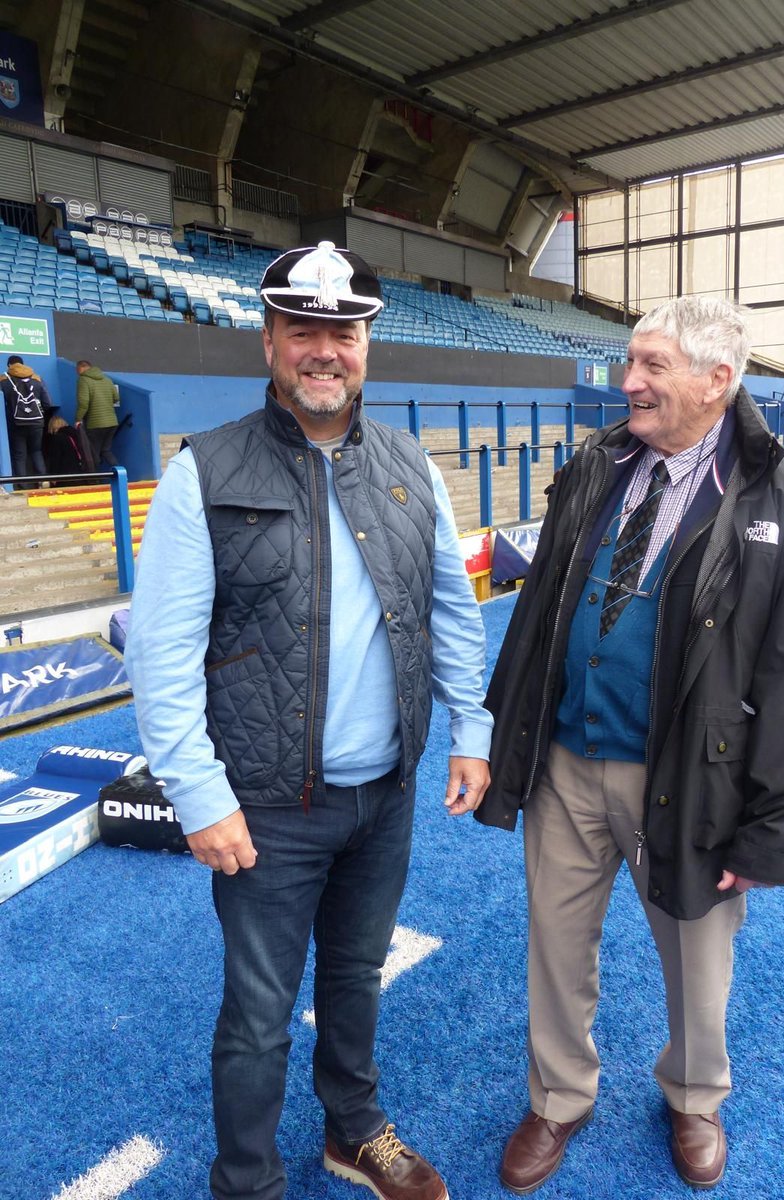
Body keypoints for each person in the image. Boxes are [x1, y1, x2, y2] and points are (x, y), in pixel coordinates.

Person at [125, 241, 493, 1200]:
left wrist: (471, 729)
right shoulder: (202, 473)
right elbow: (162, 658)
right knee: (256, 1014)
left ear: (367, 343)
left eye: (343, 331)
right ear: (270, 342)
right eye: (303, 331)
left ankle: (352, 1130)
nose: (324, 350)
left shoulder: (410, 463)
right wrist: (199, 795)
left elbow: (450, 607)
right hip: (264, 808)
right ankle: (247, 1181)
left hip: (385, 795)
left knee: (357, 975)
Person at [477, 296, 784, 1193]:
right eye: (628, 362)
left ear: (719, 382)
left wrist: (772, 833)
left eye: (651, 367)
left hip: (687, 779)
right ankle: (559, 1097)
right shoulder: (599, 462)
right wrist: (499, 736)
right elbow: (537, 615)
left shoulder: (776, 493)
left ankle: (693, 1095)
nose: (627, 382)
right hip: (564, 761)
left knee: (697, 961)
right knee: (555, 948)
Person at [2, 354, 51, 487]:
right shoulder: (37, 379)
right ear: (23, 364)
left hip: (17, 423)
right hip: (37, 423)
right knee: (36, 451)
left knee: (19, 454)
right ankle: (43, 480)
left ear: (9, 366)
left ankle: (22, 485)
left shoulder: (4, 381)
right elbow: (47, 403)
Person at [75, 359, 119, 466]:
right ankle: (120, 475)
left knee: (93, 454)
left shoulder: (83, 380)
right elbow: (116, 398)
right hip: (112, 423)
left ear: (81, 368)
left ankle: (96, 480)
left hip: (95, 424)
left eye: (77, 370)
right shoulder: (107, 379)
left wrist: (78, 419)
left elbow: (83, 403)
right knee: (105, 450)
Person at [45, 414, 90, 482]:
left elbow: (55, 459)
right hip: (80, 471)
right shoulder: (75, 434)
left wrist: (53, 476)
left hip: (65, 475)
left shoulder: (57, 438)